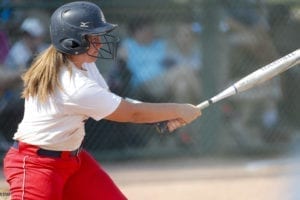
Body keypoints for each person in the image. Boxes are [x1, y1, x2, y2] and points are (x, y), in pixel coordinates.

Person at [2, 2, 201, 200]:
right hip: (37, 164)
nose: (99, 42)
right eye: (92, 37)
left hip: (74, 160)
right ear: (71, 42)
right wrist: (177, 109)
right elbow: (131, 113)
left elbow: (116, 101)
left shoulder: (83, 65)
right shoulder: (73, 83)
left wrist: (158, 117)